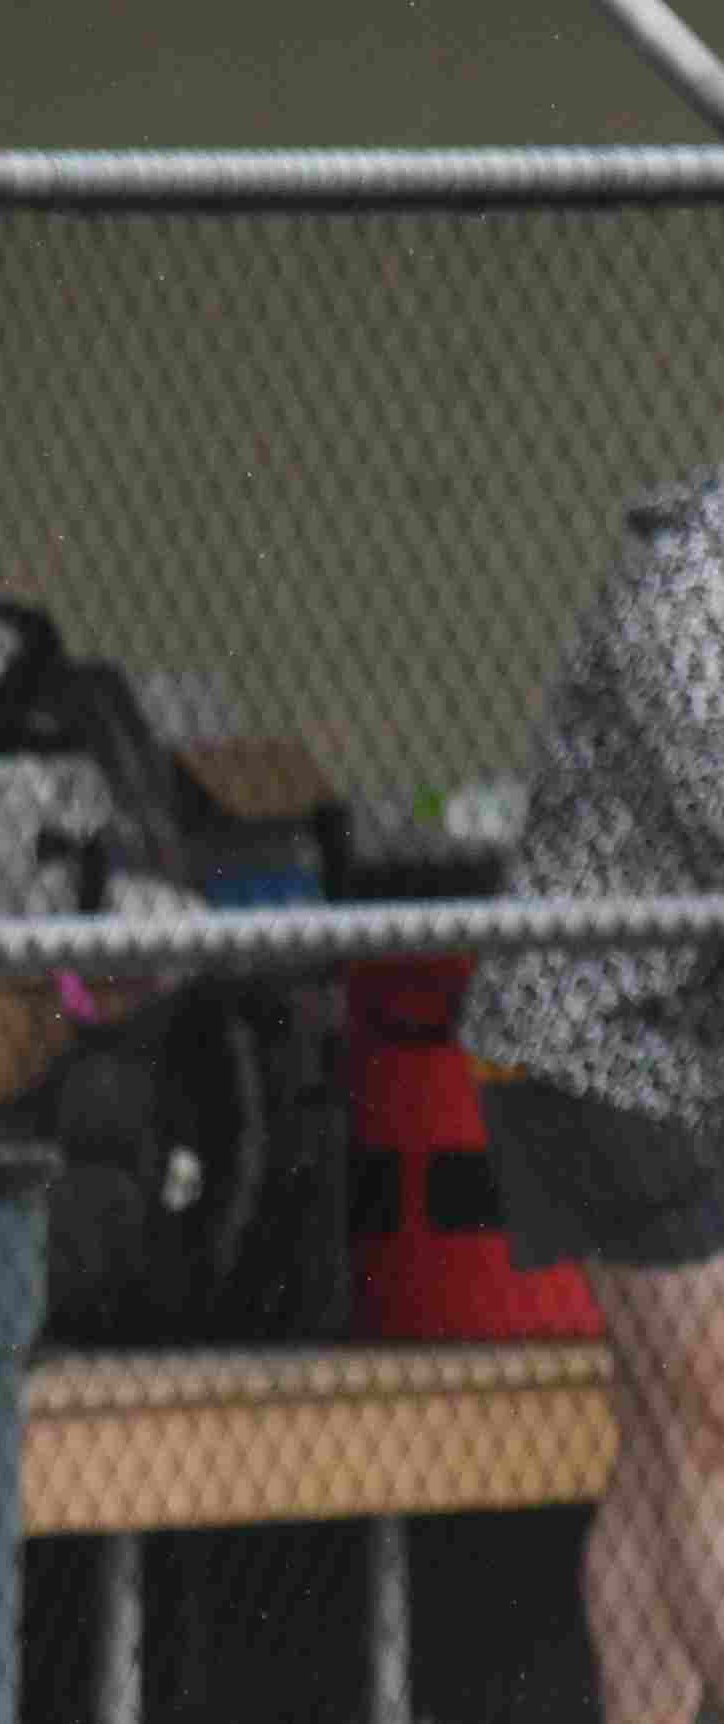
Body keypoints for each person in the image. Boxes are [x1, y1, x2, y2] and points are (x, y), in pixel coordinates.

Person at [460, 471, 724, 1724]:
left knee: (662, 1432)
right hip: (588, 1043)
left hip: (677, 1053)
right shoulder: (677, 593)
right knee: (708, 1408)